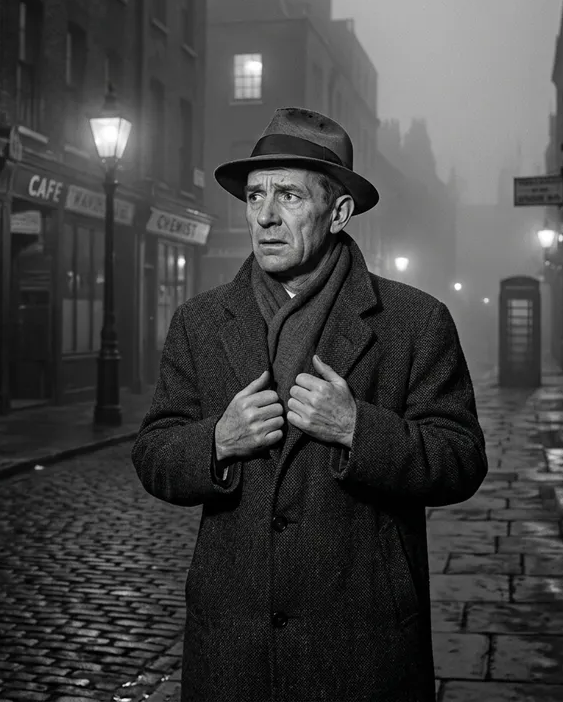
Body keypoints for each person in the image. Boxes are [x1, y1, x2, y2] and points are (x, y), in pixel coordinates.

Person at [131, 107, 487, 702]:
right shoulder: (200, 321)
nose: (265, 216)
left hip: (362, 647)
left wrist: (358, 429)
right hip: (233, 649)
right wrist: (216, 442)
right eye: (254, 197)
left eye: (289, 196)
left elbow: (461, 459)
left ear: (339, 211)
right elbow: (153, 453)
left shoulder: (415, 321)